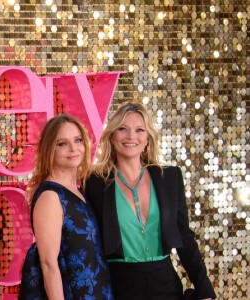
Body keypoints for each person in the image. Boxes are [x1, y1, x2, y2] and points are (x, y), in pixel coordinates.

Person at [85, 102, 216, 300]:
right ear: (112, 136)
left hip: (166, 284)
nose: (131, 137)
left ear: (147, 138)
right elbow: (89, 243)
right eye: (122, 129)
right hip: (120, 286)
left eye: (139, 130)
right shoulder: (94, 184)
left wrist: (205, 290)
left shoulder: (169, 177)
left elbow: (184, 236)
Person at [19, 114, 113, 300]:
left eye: (77, 140)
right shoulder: (51, 196)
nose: (73, 149)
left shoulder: (77, 190)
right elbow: (48, 263)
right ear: (49, 149)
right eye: (62, 143)